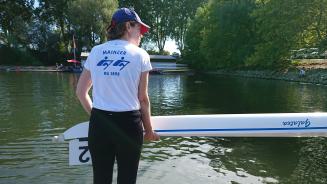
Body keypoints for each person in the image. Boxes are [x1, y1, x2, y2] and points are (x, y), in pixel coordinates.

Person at [76, 7, 160, 184]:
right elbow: (143, 99)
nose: (142, 34)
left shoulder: (96, 51)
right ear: (129, 26)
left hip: (99, 124)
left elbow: (81, 92)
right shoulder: (140, 55)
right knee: (127, 179)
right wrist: (149, 130)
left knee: (100, 179)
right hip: (129, 125)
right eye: (140, 29)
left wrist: (97, 117)